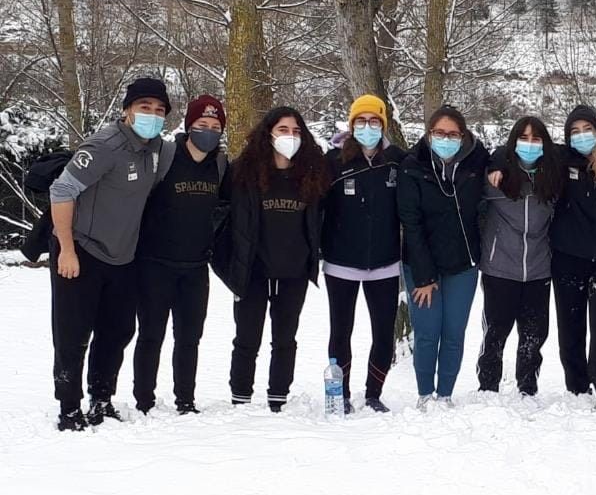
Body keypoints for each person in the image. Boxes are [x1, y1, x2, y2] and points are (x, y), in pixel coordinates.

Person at [49, 77, 171, 430]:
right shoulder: (104, 145)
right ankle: (69, 408)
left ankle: (101, 399)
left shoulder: (158, 150)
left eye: (159, 110)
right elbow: (61, 191)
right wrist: (66, 249)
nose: (152, 115)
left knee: (117, 332)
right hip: (82, 249)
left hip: (123, 255)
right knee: (73, 334)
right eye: (144, 107)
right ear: (127, 110)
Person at [212, 107, 328, 411]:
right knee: (246, 338)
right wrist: (227, 261)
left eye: (296, 131)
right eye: (283, 130)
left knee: (285, 339)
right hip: (252, 271)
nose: (290, 136)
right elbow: (221, 216)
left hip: (294, 271)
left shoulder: (311, 174)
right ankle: (241, 397)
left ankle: (278, 397)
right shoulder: (243, 173)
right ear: (268, 134)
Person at [133, 94, 228, 415]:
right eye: (202, 124)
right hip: (155, 265)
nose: (208, 131)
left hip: (196, 267)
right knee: (151, 336)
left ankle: (185, 400)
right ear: (189, 126)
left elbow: (228, 207)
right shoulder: (164, 156)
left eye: (215, 126)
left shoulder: (220, 165)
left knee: (189, 338)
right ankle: (144, 400)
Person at [398, 105, 489, 408]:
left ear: (463, 136)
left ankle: (445, 393)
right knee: (427, 332)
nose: (446, 139)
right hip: (421, 265)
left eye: (452, 134)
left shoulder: (477, 162)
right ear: (429, 134)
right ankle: (425, 394)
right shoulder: (412, 166)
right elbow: (411, 224)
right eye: (440, 133)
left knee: (453, 333)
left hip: (463, 264)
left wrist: (500, 166)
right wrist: (424, 276)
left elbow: (504, 158)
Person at [321, 95, 405, 414]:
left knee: (383, 334)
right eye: (360, 121)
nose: (367, 127)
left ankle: (373, 393)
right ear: (351, 124)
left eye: (373, 121)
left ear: (383, 125)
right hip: (340, 262)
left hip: (385, 263)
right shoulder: (334, 161)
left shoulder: (396, 160)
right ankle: (339, 395)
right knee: (341, 331)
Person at [476, 116, 562, 396]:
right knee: (495, 331)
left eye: (536, 139)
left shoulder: (553, 177)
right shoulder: (496, 177)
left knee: (534, 334)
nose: (529, 144)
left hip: (539, 268)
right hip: (499, 267)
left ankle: (527, 386)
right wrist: (497, 161)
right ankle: (488, 385)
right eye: (523, 138)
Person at [550, 105, 596, 404]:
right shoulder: (561, 161)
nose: (581, 136)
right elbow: (513, 150)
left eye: (587, 130)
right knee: (570, 325)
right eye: (575, 132)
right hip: (567, 257)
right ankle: (577, 387)